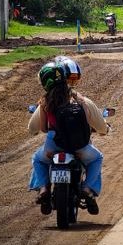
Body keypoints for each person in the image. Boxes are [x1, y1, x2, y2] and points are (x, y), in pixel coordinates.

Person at [28, 57, 108, 215]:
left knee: (38, 159)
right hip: (80, 146)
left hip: (53, 145)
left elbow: (37, 128)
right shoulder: (81, 100)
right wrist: (104, 130)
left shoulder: (45, 102)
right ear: (65, 79)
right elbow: (99, 125)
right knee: (97, 158)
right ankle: (87, 189)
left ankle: (44, 189)